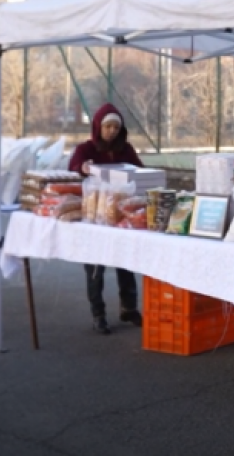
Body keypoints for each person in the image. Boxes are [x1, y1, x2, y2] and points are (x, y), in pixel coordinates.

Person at [68, 103, 144, 334]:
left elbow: (139, 171)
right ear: (98, 127)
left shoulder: (126, 149)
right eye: (107, 126)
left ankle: (129, 308)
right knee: (95, 265)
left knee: (126, 262)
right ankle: (98, 313)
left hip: (121, 215)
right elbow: (74, 166)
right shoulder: (86, 148)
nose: (111, 131)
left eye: (116, 127)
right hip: (94, 216)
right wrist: (83, 167)